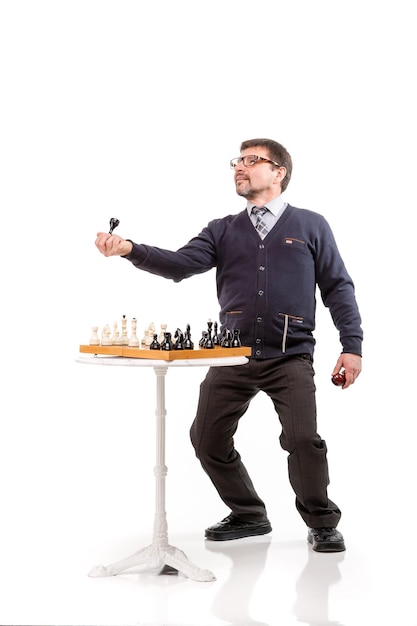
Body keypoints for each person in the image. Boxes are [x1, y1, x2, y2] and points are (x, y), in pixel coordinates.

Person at [95, 138, 363, 553]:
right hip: (231, 354)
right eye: (237, 160)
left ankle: (322, 522)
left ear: (279, 172)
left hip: (290, 356)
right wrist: (131, 249)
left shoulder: (311, 225)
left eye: (252, 160)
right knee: (206, 439)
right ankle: (249, 513)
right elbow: (180, 265)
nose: (240, 167)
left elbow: (337, 287)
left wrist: (352, 345)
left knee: (302, 440)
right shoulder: (222, 229)